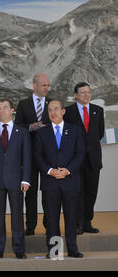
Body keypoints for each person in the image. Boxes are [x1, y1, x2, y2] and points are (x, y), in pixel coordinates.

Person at [34, 100, 85, 258]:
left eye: (56, 109)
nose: (53, 113)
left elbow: (80, 153)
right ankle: (54, 251)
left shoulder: (75, 130)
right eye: (50, 110)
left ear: (63, 111)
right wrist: (50, 171)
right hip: (50, 182)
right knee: (51, 220)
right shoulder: (41, 132)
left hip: (70, 181)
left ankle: (72, 249)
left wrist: (68, 170)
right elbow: (37, 155)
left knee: (71, 218)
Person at [0, 99, 31, 259]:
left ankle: (19, 249)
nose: (2, 111)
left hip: (16, 181)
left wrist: (26, 179)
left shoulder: (22, 132)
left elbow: (27, 158)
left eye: (5, 108)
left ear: (12, 111)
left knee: (17, 216)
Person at [64, 82, 105, 234]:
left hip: (93, 159)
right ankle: (77, 223)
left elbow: (99, 134)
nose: (86, 95)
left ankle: (87, 222)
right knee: (76, 192)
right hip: (75, 160)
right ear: (76, 95)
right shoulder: (68, 111)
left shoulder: (98, 110)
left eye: (88, 92)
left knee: (91, 192)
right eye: (82, 92)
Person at [15, 73, 51, 235]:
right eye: (44, 85)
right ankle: (30, 225)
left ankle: (49, 223)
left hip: (48, 155)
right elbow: (17, 127)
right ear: (35, 85)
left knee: (49, 191)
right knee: (30, 192)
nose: (46, 88)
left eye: (48, 85)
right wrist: (30, 127)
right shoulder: (23, 104)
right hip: (28, 154)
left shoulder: (53, 104)